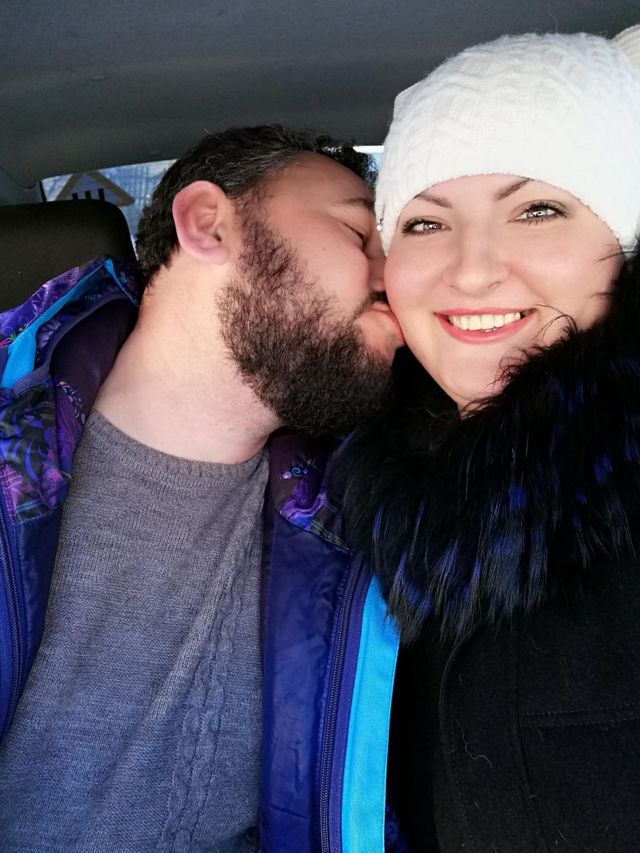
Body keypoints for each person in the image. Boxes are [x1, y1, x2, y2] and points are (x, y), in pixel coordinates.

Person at [0, 125, 405, 851]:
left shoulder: (359, 518)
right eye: (357, 233)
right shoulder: (12, 478)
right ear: (208, 223)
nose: (394, 278)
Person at [335, 26, 640, 852]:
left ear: (625, 241)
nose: (471, 271)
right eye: (425, 224)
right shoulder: (340, 509)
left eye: (537, 210)